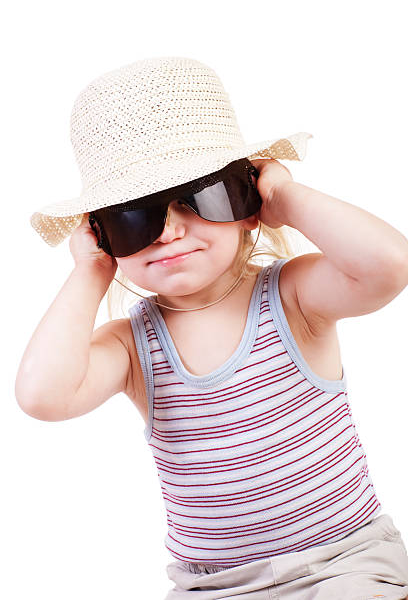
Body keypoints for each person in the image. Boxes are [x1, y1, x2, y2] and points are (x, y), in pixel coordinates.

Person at [16, 56, 408, 599]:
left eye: (199, 197)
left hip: (343, 563)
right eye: (134, 216)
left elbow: (388, 265)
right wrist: (89, 274)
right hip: (214, 588)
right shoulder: (133, 347)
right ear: (103, 235)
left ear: (245, 202)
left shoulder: (292, 298)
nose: (170, 230)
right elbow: (42, 396)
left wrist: (285, 198)